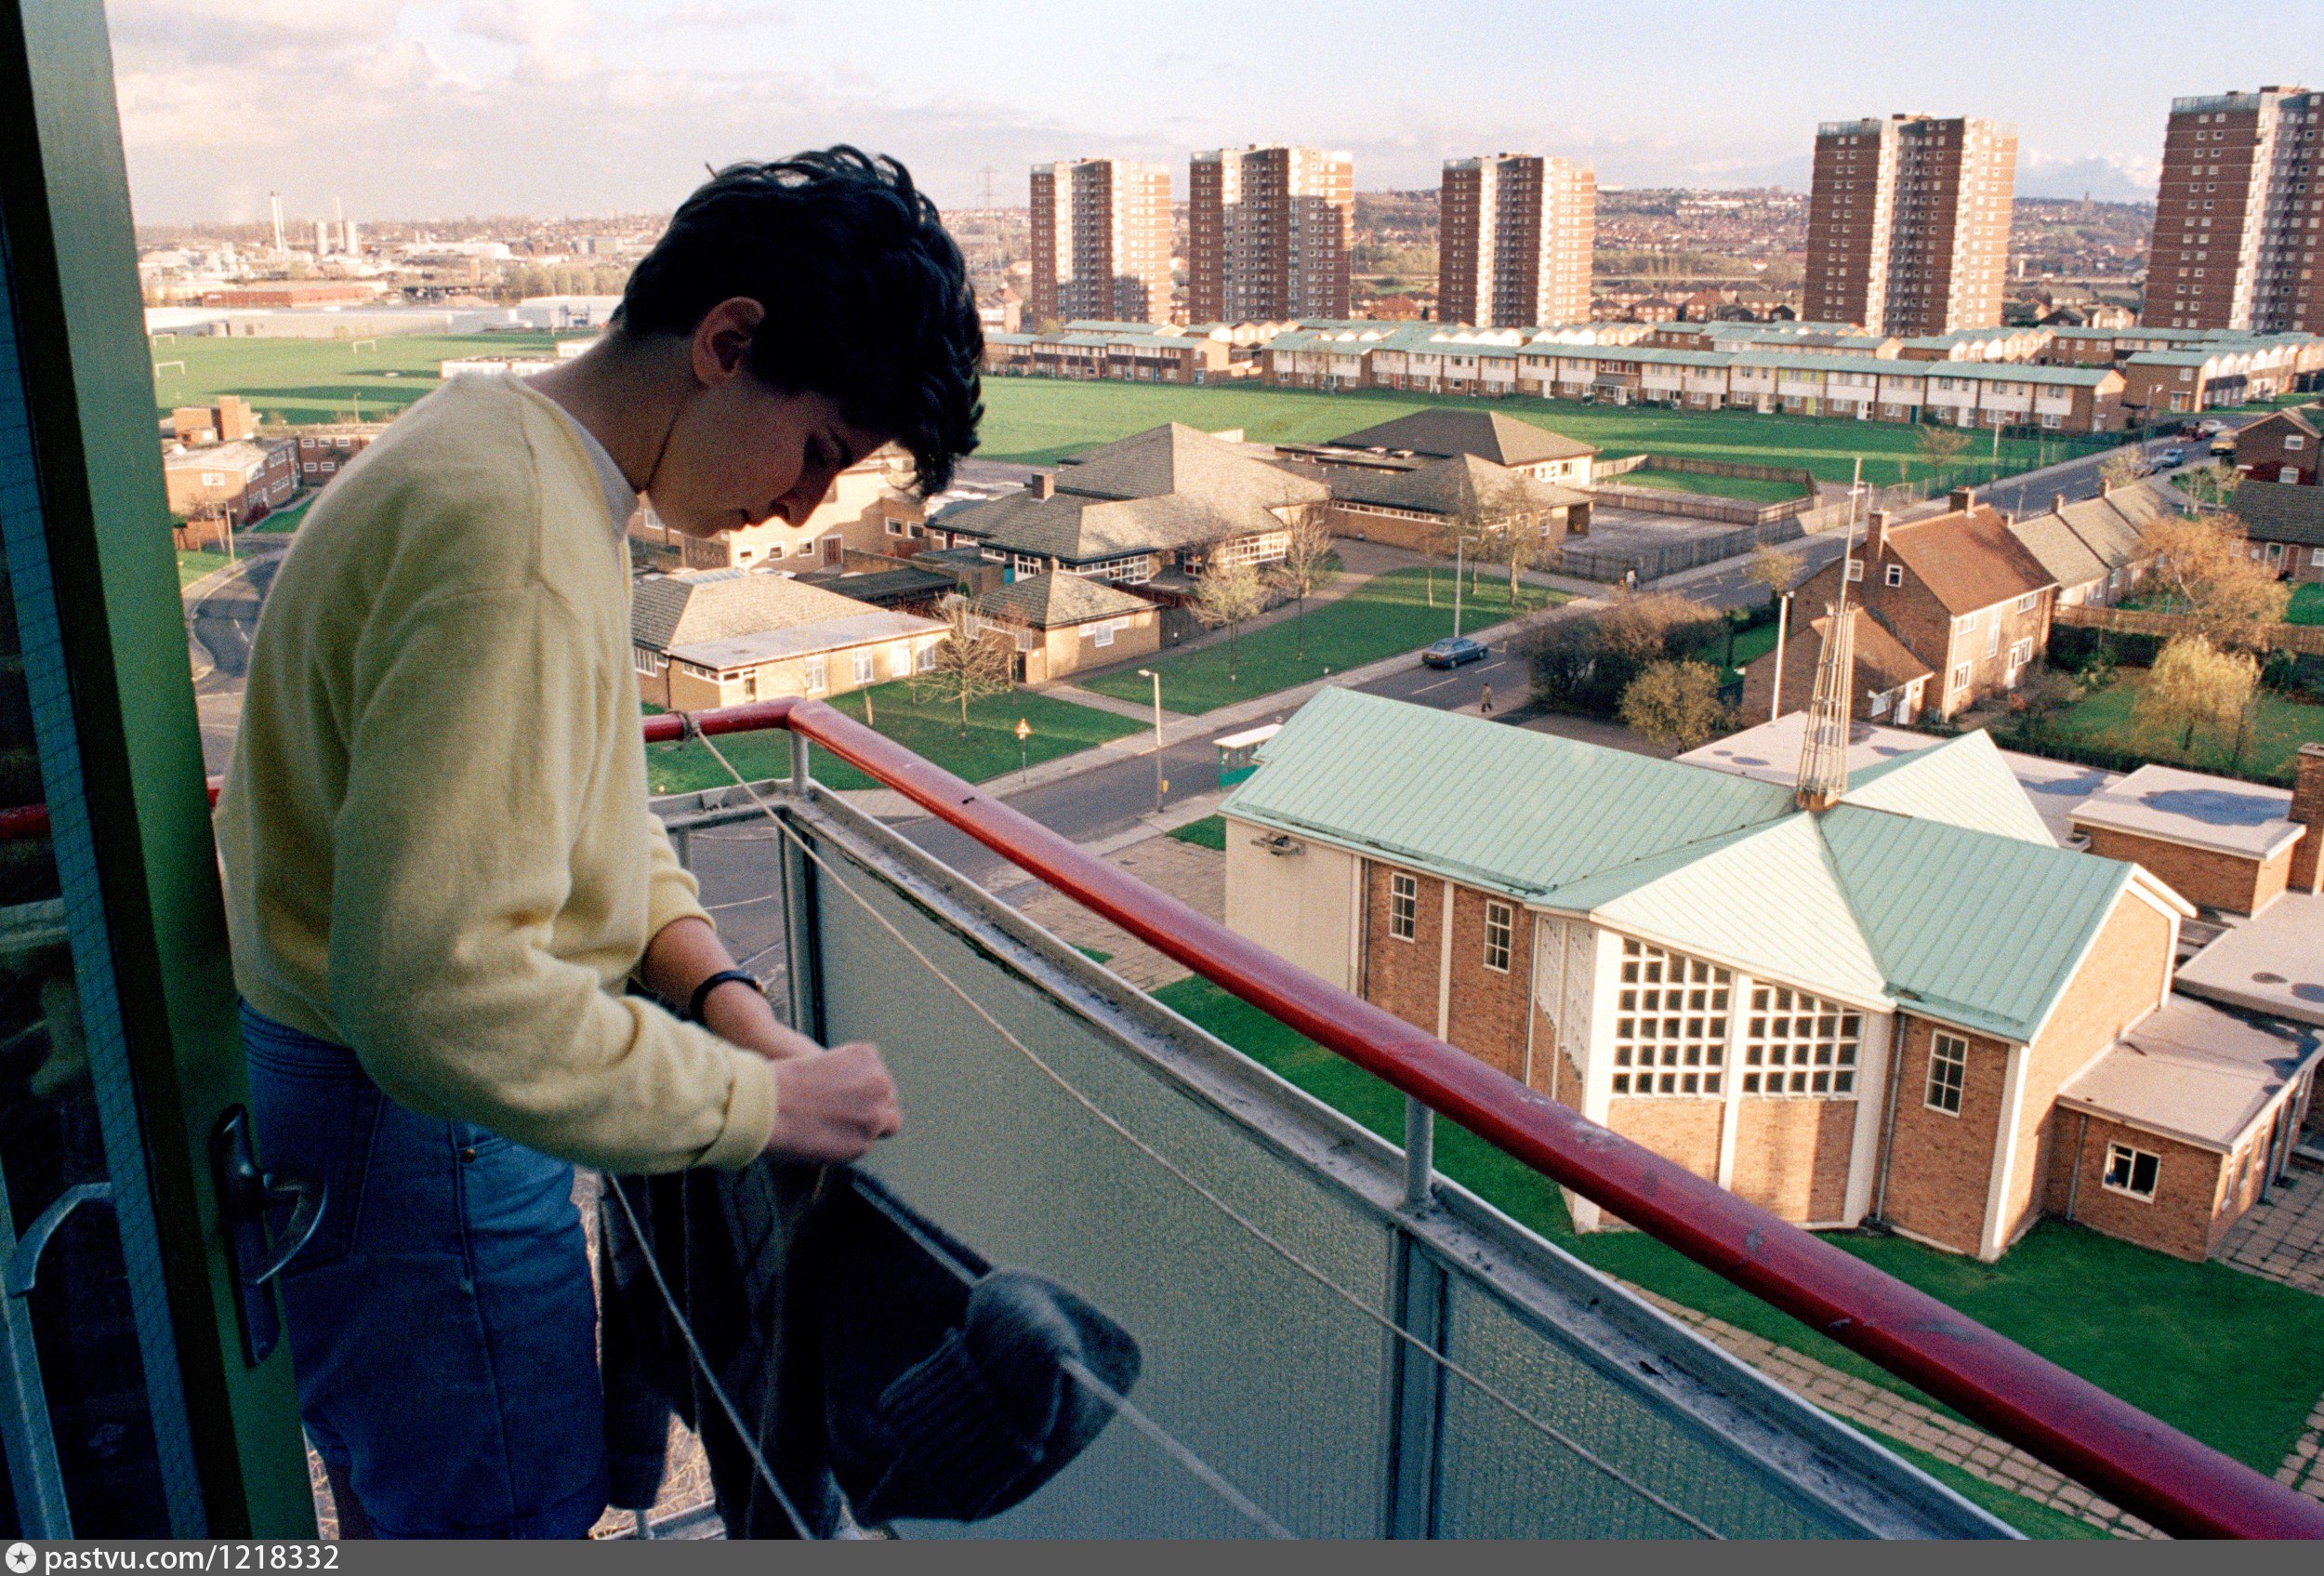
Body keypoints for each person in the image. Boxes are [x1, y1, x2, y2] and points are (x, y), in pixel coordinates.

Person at [212, 149, 984, 1540]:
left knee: (425, 1500)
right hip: (412, 1135)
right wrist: (760, 1110)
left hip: (360, 1119)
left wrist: (725, 1004)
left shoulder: (503, 457)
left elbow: (595, 814)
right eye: (816, 453)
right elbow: (436, 993)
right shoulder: (516, 541)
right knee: (506, 1514)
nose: (804, 511)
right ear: (727, 342)